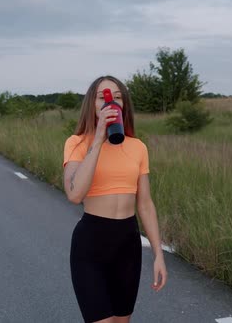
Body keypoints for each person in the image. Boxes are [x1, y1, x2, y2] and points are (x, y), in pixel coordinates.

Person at [62, 75, 167, 323]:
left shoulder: (137, 147)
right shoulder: (77, 143)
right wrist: (98, 139)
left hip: (127, 244)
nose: (111, 102)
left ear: (124, 105)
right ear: (92, 104)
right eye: (103, 97)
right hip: (91, 243)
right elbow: (75, 194)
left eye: (118, 97)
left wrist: (158, 255)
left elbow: (145, 204)